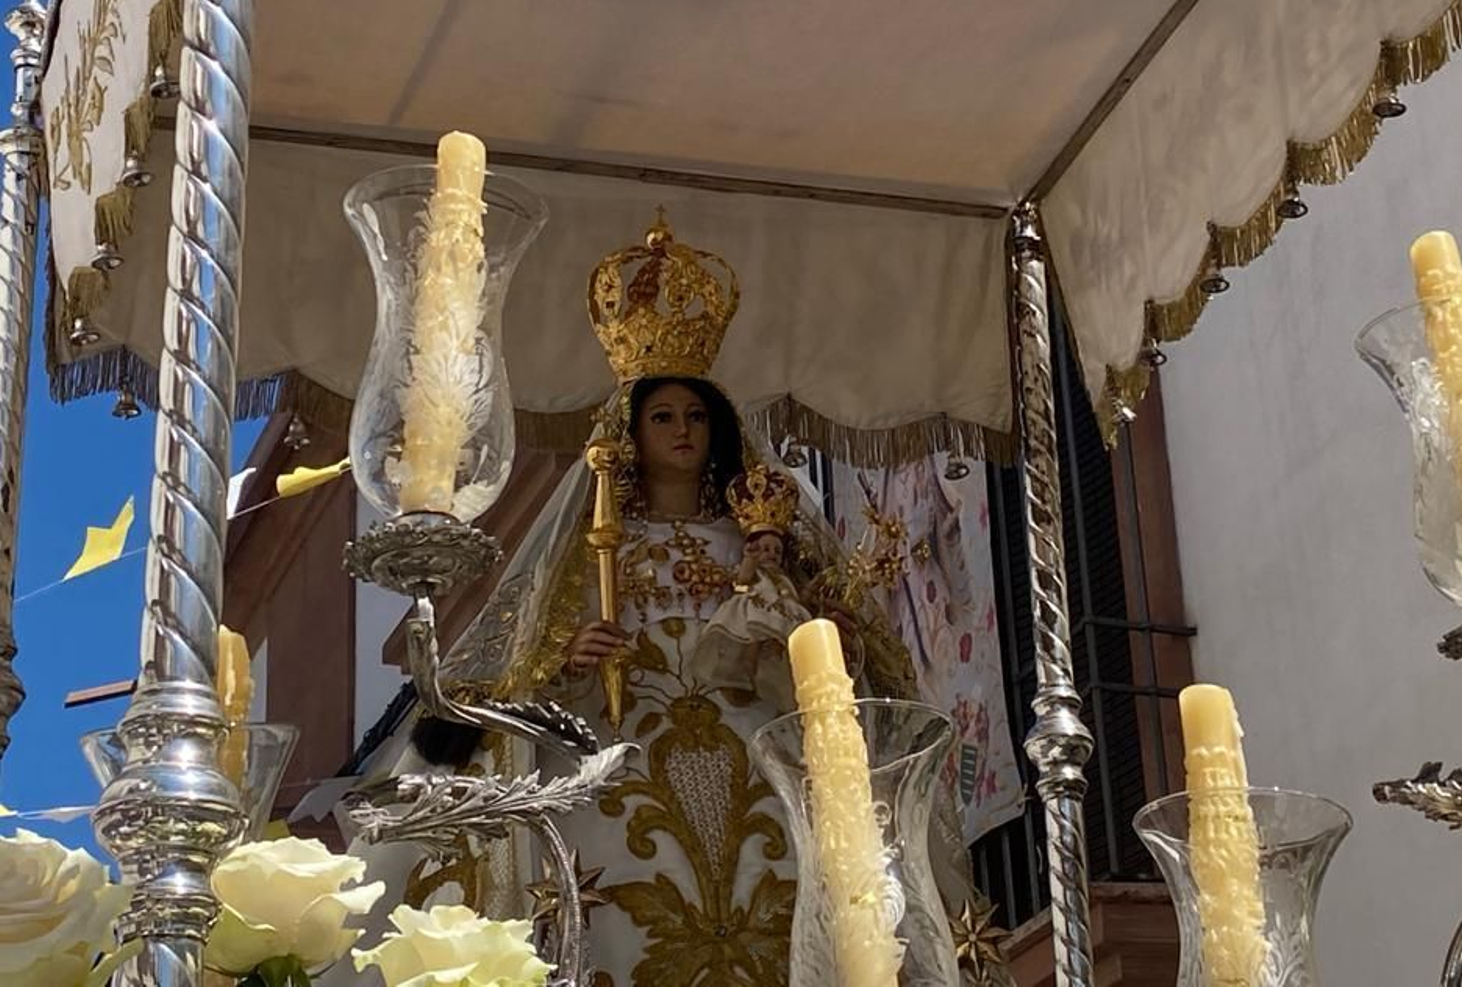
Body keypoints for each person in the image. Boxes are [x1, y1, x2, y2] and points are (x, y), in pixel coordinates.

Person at [331, 214, 1003, 987]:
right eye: (663, 417)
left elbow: (821, 660)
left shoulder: (760, 533)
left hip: (758, 754)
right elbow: (518, 666)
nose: (681, 431)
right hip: (621, 753)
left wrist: (799, 611)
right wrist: (567, 656)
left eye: (693, 416)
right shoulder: (593, 546)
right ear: (632, 432)